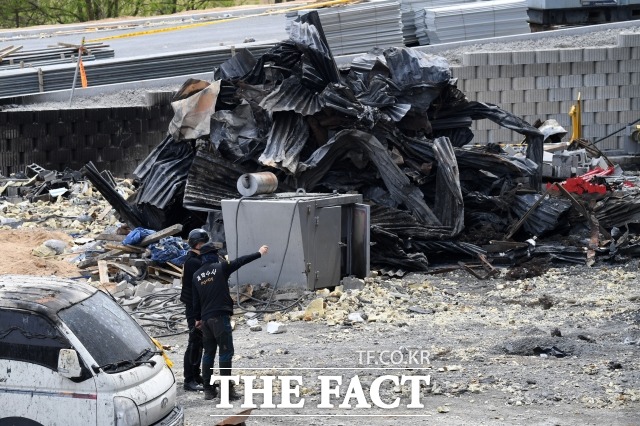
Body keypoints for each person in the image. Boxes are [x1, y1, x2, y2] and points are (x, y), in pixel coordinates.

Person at [193, 242, 269, 401]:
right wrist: (259, 253)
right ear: (213, 255)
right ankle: (226, 390)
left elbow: (195, 301)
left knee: (208, 353)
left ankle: (208, 389)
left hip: (206, 321)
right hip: (220, 318)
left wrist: (197, 319)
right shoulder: (221, 268)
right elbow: (240, 261)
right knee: (225, 353)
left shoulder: (196, 275)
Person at [179, 228, 209, 392]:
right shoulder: (193, 262)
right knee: (194, 342)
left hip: (199, 307)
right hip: (194, 308)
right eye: (204, 243)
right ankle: (189, 379)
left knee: (199, 343)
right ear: (197, 244)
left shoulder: (196, 259)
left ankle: (196, 375)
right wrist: (197, 315)